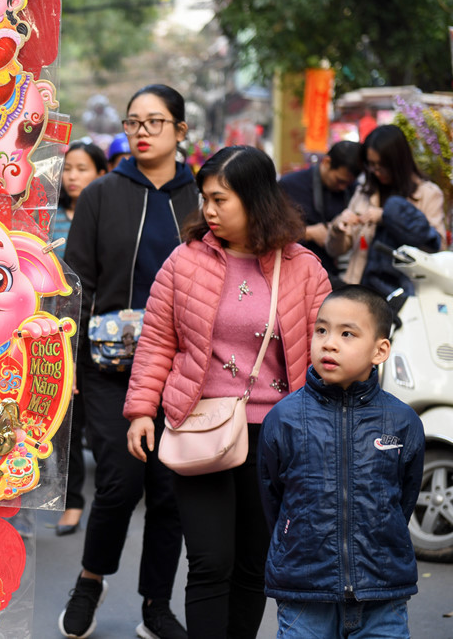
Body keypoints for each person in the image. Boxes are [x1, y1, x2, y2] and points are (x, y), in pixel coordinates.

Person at [124, 145, 331, 639]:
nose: (209, 211)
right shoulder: (184, 262)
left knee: (253, 564)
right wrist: (140, 411)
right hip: (201, 427)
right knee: (210, 560)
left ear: (256, 199)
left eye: (221, 199)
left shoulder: (303, 268)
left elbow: (325, 352)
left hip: (278, 437)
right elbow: (157, 340)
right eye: (205, 198)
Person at [61, 84, 197, 639]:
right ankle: (90, 580)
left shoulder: (201, 197)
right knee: (119, 480)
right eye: (134, 122)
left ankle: (155, 605)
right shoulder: (102, 195)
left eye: (156, 122)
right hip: (109, 366)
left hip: (185, 369)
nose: (143, 131)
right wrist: (68, 361)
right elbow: (76, 283)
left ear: (180, 131)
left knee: (170, 489)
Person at [258, 285, 425, 638]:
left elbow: (403, 500)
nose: (328, 343)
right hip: (305, 591)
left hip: (382, 593)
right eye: (322, 330)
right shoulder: (284, 418)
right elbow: (274, 498)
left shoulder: (402, 421)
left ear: (380, 350)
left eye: (347, 334)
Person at [52, 142, 108, 536]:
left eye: (82, 168)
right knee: (65, 420)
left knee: (101, 421)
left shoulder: (109, 218)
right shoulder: (47, 219)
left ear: (100, 174)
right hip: (56, 327)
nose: (72, 175)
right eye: (68, 168)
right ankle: (71, 501)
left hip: (101, 331)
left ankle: (108, 498)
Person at [326, 125, 446, 297]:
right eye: (371, 165)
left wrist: (388, 217)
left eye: (381, 165)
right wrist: (338, 227)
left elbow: (436, 248)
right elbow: (336, 249)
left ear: (397, 162)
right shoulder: (365, 192)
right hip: (361, 292)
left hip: (408, 295)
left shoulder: (428, 194)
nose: (376, 171)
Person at [278, 141, 362, 285]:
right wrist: (309, 233)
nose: (342, 188)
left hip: (337, 273)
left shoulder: (353, 189)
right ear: (327, 162)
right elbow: (271, 231)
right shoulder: (290, 185)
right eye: (339, 181)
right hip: (295, 274)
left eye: (347, 184)